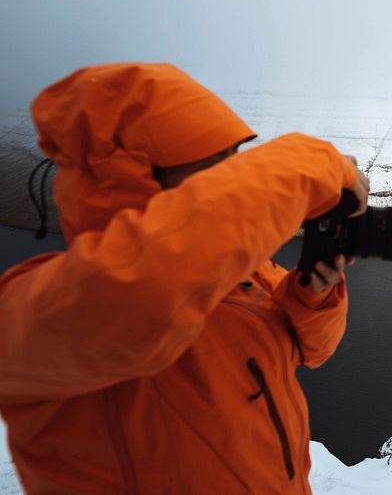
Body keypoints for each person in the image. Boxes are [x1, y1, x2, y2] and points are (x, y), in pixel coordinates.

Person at [0, 62, 370, 494]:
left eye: (231, 163)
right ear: (135, 176)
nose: (227, 179)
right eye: (210, 168)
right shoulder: (30, 312)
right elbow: (145, 289)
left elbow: (309, 349)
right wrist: (310, 163)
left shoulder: (237, 273)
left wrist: (311, 297)